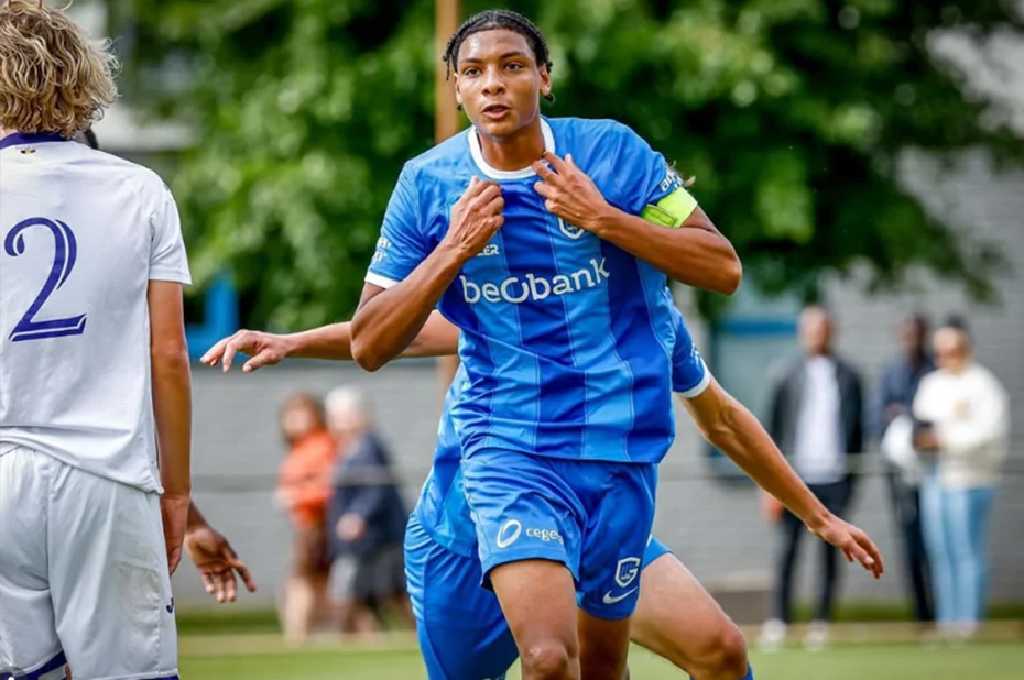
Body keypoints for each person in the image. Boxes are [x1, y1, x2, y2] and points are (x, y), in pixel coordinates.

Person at [349, 9, 742, 678]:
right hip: (510, 449)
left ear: (545, 78)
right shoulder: (427, 183)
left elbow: (722, 266)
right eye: (473, 71)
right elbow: (369, 342)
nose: (493, 83)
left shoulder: (613, 153)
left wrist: (603, 218)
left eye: (512, 66)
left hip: (618, 453)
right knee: (549, 657)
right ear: (456, 88)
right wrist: (452, 251)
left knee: (629, 665)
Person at [203, 310, 884, 680]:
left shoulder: (653, 316)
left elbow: (724, 420)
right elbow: (389, 334)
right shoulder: (513, 296)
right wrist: (292, 341)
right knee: (549, 660)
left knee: (721, 652)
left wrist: (819, 516)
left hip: (590, 529)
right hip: (461, 547)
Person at [0, 2, 190, 678]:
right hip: (106, 478)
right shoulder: (141, 190)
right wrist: (177, 493)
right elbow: (168, 356)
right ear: (84, 79)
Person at [761, 305, 865, 649]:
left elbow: (858, 432)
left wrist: (852, 481)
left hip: (834, 476)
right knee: (787, 551)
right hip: (795, 478)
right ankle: (781, 619)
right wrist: (770, 487)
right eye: (811, 329)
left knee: (831, 553)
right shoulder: (786, 374)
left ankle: (822, 620)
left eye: (822, 329)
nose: (816, 335)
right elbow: (770, 433)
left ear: (831, 332)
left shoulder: (849, 375)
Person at [913, 318, 1008, 637]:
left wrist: (945, 439)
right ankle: (947, 622)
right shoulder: (931, 384)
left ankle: (969, 622)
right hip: (934, 478)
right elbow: (920, 426)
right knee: (941, 553)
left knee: (968, 553)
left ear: (965, 349)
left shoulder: (983, 384)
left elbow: (988, 432)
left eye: (952, 350)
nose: (946, 357)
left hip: (970, 479)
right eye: (940, 352)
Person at [324, 388, 410, 635]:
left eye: (347, 414)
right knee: (366, 594)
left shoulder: (369, 446)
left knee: (390, 591)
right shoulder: (346, 448)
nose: (340, 421)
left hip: (378, 537)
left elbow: (376, 486)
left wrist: (358, 515)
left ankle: (415, 634)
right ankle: (366, 635)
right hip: (362, 542)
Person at [877, 315, 935, 623]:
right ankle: (921, 613)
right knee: (909, 542)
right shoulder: (891, 372)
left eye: (917, 334)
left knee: (934, 542)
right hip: (899, 473)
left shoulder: (934, 371)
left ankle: (941, 612)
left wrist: (906, 415)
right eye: (907, 335)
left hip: (931, 470)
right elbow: (878, 415)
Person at [275, 392, 336, 641]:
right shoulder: (300, 448)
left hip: (320, 523)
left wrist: (296, 497)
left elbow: (329, 487)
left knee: (301, 581)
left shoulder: (322, 446)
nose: (294, 420)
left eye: (301, 413)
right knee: (316, 582)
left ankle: (297, 633)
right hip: (305, 524)